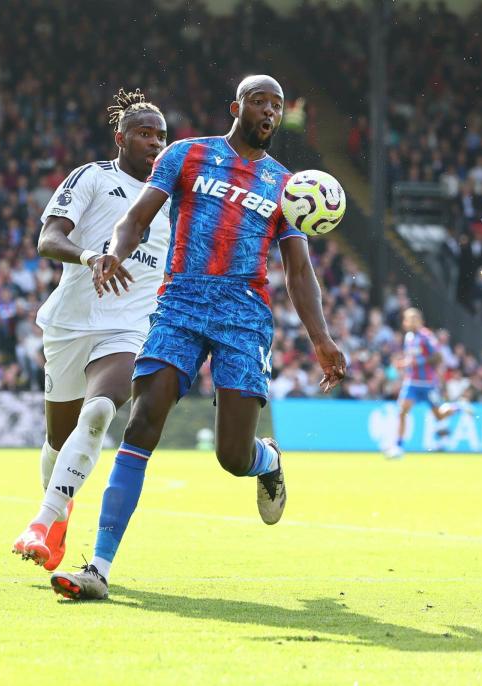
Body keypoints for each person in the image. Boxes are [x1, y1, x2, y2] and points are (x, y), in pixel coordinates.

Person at [50, 75, 347, 600]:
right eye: (260, 102)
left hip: (243, 315)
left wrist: (321, 338)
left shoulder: (284, 185)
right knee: (143, 420)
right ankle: (97, 567)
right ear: (237, 106)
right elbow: (135, 217)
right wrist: (116, 250)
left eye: (277, 106)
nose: (270, 113)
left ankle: (267, 460)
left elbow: (298, 270)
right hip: (181, 302)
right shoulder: (187, 156)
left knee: (232, 457)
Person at [11, 89, 171, 570]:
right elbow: (48, 239)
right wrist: (89, 255)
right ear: (120, 138)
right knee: (58, 442)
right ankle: (58, 521)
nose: (155, 142)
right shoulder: (92, 177)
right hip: (69, 323)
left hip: (129, 326)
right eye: (145, 133)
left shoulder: (173, 198)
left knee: (101, 410)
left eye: (161, 136)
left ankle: (41, 521)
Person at [385, 308, 470, 459]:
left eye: (413, 319)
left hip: (428, 383)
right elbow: (411, 359)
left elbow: (437, 357)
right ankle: (398, 447)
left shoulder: (426, 337)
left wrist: (415, 362)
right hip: (411, 382)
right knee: (402, 412)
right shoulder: (409, 337)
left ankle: (459, 406)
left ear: (419, 321)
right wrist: (404, 363)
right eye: (408, 319)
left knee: (440, 415)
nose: (409, 322)